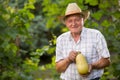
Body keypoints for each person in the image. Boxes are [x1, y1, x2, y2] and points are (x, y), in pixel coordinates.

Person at [55, 3, 111, 80]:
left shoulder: (96, 35)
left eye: (77, 20)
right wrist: (68, 59)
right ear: (66, 23)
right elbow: (59, 69)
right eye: (70, 21)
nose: (73, 24)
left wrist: (92, 66)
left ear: (83, 20)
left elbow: (107, 61)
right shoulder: (61, 39)